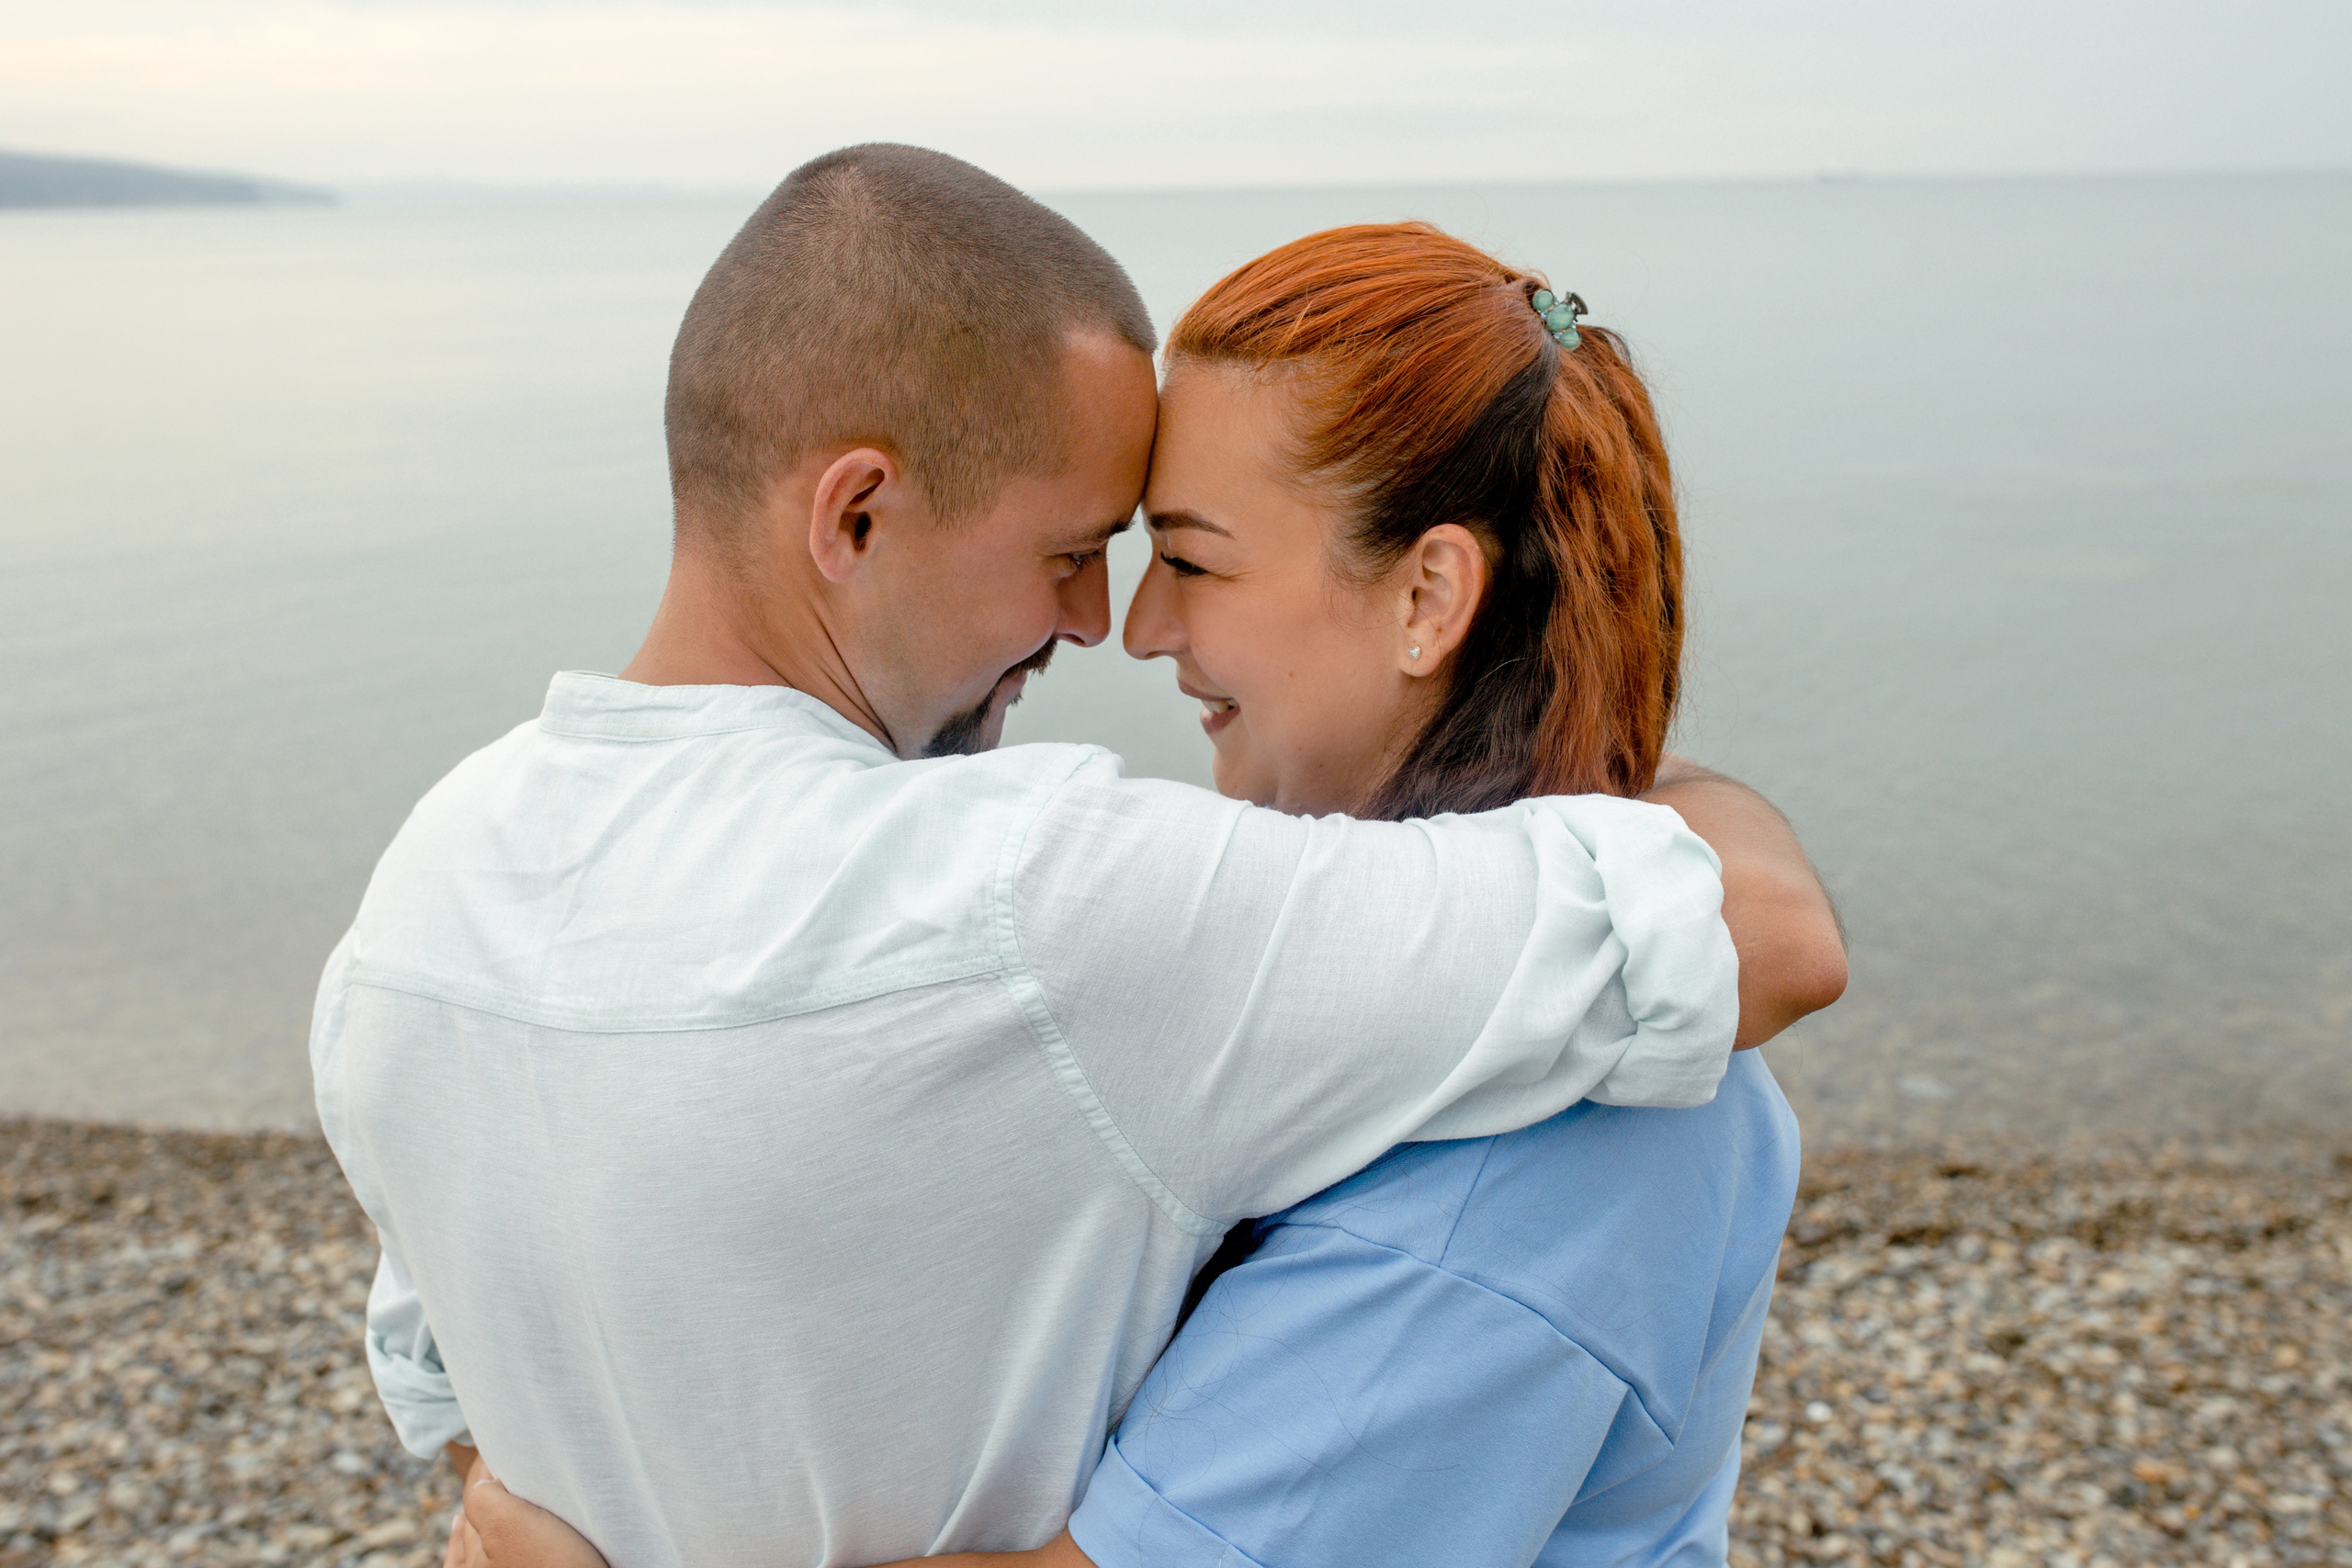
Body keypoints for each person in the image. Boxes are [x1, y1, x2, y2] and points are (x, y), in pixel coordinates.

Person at [314, 146, 1841, 1568]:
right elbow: (1737, 927)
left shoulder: (409, 909)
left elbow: (477, 1415)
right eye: (1086, 552)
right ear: (855, 515)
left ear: (1432, 596)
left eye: (1181, 555)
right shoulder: (1036, 907)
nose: (1117, 625)